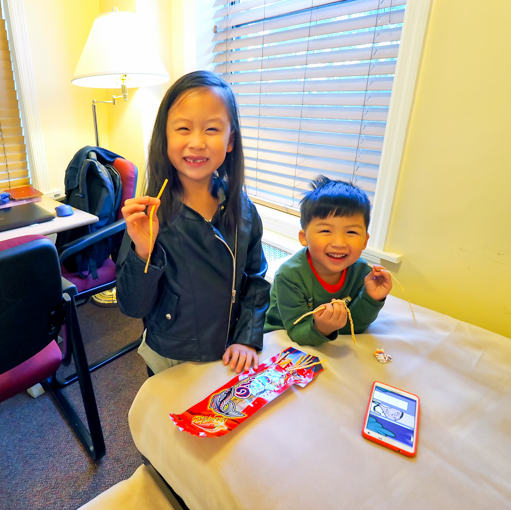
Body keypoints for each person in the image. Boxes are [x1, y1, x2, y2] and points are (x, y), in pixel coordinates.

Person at [116, 70, 270, 376]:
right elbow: (133, 307)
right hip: (171, 355)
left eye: (212, 129)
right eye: (184, 128)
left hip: (230, 352)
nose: (197, 142)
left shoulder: (244, 210)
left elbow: (256, 281)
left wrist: (247, 338)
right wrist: (143, 251)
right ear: (165, 136)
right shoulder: (150, 216)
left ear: (230, 140)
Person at [263, 175, 392, 345]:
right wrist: (322, 327)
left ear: (365, 241)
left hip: (329, 342)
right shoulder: (290, 276)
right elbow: (296, 331)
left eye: (351, 232)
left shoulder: (362, 273)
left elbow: (353, 326)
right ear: (304, 237)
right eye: (326, 231)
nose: (339, 243)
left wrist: (371, 298)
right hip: (281, 336)